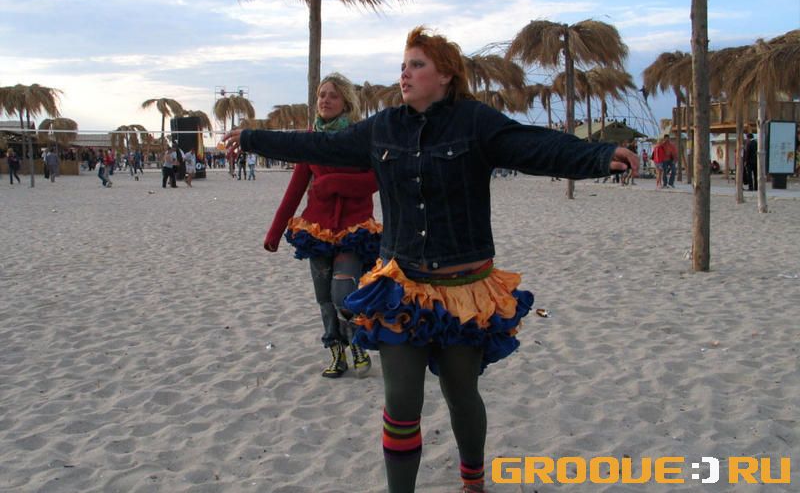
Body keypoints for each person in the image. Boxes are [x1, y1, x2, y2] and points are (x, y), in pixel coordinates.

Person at [224, 26, 638, 493]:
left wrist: (599, 156)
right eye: (403, 65)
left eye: (417, 65)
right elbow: (316, 147)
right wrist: (253, 138)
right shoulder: (383, 127)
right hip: (401, 287)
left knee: (461, 394)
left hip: (463, 291)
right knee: (401, 403)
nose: (405, 73)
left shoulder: (475, 122)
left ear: (445, 75)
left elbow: (534, 146)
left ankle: (473, 481)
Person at [264, 73, 381, 378]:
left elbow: (375, 180)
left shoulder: (359, 137)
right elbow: (295, 189)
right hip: (316, 231)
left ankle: (357, 342)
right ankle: (336, 352)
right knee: (325, 299)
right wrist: (274, 232)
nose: (325, 100)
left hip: (354, 230)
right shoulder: (311, 138)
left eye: (333, 95)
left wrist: (332, 183)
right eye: (321, 95)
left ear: (346, 102)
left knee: (343, 293)